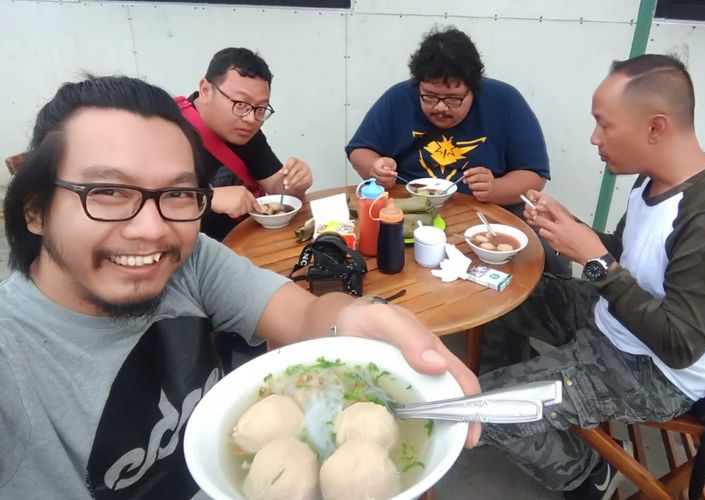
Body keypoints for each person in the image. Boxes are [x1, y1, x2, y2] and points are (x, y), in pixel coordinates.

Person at [0, 75, 479, 498]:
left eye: (178, 194)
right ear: (35, 209)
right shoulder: (13, 359)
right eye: (107, 192)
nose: (151, 228)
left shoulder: (188, 262)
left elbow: (305, 315)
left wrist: (358, 316)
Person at [478, 54, 705, 499]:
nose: (593, 138)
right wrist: (575, 230)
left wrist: (597, 262)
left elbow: (680, 345)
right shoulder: (654, 178)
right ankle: (520, 404)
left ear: (655, 127)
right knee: (501, 292)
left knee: (478, 410)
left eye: (605, 125)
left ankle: (586, 474)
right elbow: (631, 253)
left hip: (655, 372)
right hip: (617, 323)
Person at [346, 26, 569, 274]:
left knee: (549, 258)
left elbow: (534, 174)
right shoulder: (398, 98)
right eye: (429, 97)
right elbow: (359, 150)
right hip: (408, 211)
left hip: (486, 213)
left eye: (453, 99)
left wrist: (496, 189)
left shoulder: (505, 102)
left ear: (474, 88)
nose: (440, 108)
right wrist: (374, 168)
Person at [176, 47, 313, 241]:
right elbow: (140, 201)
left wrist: (296, 184)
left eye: (261, 109)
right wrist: (208, 197)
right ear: (205, 90)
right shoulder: (170, 131)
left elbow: (275, 186)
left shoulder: (245, 130)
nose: (251, 119)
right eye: (240, 104)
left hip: (243, 244)